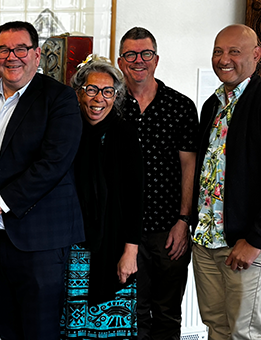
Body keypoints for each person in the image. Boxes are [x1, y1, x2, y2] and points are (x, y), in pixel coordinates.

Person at [0, 21, 84, 340]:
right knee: (7, 328)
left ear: (36, 55)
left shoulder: (59, 98)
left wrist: (1, 203)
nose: (12, 56)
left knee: (40, 332)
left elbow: (54, 162)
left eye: (21, 48)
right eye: (4, 49)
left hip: (40, 241)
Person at [117, 27, 198, 340]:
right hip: (124, 232)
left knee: (167, 315)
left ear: (156, 59)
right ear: (121, 61)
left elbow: (189, 166)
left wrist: (183, 221)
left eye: (145, 54)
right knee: (131, 315)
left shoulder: (180, 106)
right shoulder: (109, 105)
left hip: (168, 229)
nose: (139, 61)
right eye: (131, 55)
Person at [60, 56, 143, 339]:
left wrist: (130, 252)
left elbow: (135, 198)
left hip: (114, 247)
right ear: (78, 91)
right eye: (91, 89)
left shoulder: (125, 134)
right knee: (70, 328)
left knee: (112, 329)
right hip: (70, 246)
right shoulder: (65, 131)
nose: (99, 98)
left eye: (108, 91)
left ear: (116, 96)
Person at [191, 24, 261, 340]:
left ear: (256, 55)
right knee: (216, 328)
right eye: (219, 51)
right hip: (206, 242)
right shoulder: (213, 105)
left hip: (245, 246)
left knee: (245, 334)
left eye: (234, 51)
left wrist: (256, 240)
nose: (224, 59)